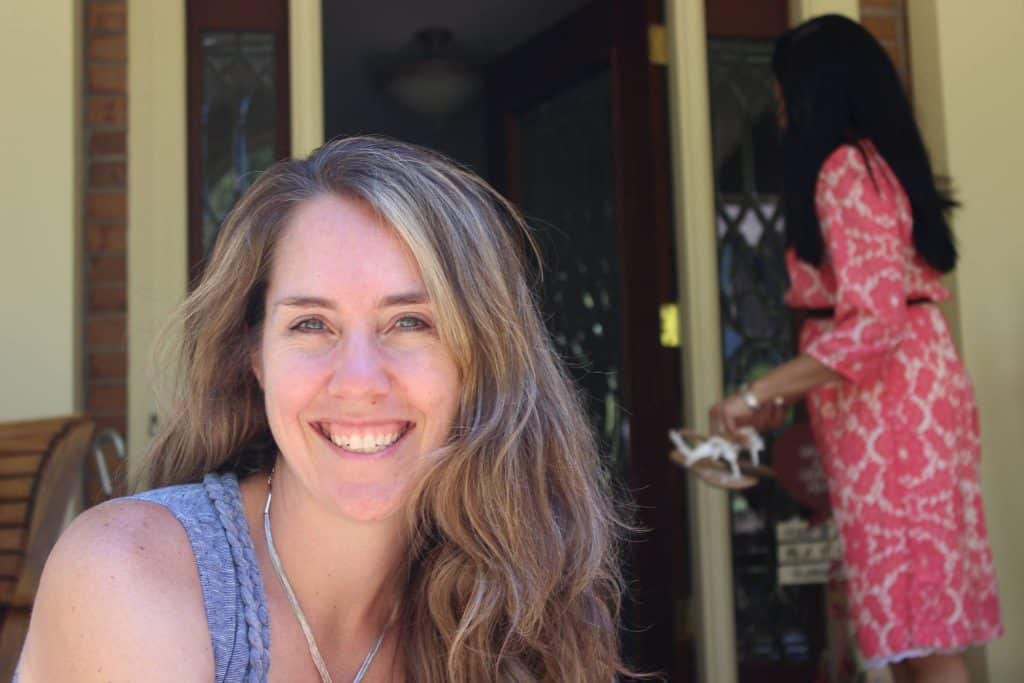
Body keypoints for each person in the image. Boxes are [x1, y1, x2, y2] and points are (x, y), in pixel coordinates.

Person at [17, 137, 631, 681]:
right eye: (311, 323)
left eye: (410, 322)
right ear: (254, 356)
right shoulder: (129, 576)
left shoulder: (525, 613)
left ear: (479, 358)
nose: (359, 381)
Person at [708, 14, 1002, 683]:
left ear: (816, 89)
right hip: (904, 399)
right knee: (913, 619)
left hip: (893, 410)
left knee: (920, 621)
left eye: (784, 89)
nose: (778, 106)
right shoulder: (877, 166)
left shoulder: (845, 170)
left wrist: (758, 390)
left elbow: (871, 324)